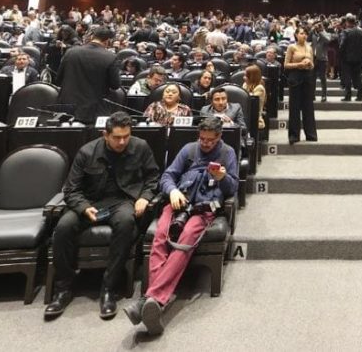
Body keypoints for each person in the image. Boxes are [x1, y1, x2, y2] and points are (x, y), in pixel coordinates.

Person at [125, 116, 238, 335]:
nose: (205, 143)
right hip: (179, 203)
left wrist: (223, 178)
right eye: (202, 138)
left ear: (219, 137)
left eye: (210, 140)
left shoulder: (227, 153)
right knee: (160, 236)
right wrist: (173, 191)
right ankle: (154, 301)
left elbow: (232, 189)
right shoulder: (189, 149)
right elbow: (167, 176)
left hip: (203, 209)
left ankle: (151, 299)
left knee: (184, 241)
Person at [45, 111, 161, 320]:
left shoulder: (141, 147)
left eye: (126, 136)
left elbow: (153, 177)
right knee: (63, 228)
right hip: (90, 202)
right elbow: (71, 189)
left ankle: (109, 288)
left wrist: (145, 197)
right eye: (117, 137)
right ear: (105, 134)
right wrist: (83, 207)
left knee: (126, 223)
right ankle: (63, 289)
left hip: (123, 200)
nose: (122, 142)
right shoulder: (86, 152)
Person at [56, 25, 121, 124]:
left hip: (67, 108)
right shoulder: (111, 57)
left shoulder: (70, 52)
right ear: (108, 41)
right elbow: (115, 85)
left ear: (91, 37)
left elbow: (58, 79)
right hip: (93, 110)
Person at [283, 27, 317, 144]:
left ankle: (311, 134)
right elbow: (286, 65)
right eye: (302, 33)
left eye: (305, 33)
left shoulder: (309, 47)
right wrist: (299, 64)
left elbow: (312, 65)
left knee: (308, 106)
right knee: (295, 107)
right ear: (296, 35)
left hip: (308, 77)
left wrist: (309, 63)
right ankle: (294, 135)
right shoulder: (291, 47)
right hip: (295, 77)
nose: (304, 35)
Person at [337, 15, 362, 102]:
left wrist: (340, 55)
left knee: (347, 77)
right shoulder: (361, 32)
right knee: (358, 77)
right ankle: (360, 96)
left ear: (347, 22)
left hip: (347, 59)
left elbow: (342, 45)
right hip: (358, 58)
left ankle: (348, 96)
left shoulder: (346, 32)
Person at [310, 20, 332, 101]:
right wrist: (312, 30)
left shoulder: (327, 34)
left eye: (319, 26)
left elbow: (328, 40)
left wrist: (321, 31)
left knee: (323, 78)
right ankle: (312, 95)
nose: (317, 27)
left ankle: (324, 95)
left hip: (322, 59)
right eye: (316, 26)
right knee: (312, 78)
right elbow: (308, 40)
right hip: (313, 58)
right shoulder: (313, 34)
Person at [241, 64, 267, 132]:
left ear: (252, 77)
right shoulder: (245, 85)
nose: (243, 78)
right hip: (245, 116)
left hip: (255, 119)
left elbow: (250, 103)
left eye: (245, 76)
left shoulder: (260, 88)